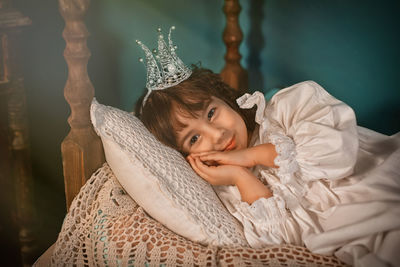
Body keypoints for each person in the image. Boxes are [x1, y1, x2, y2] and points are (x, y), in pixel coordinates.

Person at [135, 28, 400, 267]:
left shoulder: (283, 113)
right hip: (352, 233)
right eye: (194, 139)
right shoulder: (230, 191)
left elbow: (336, 151)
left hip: (378, 180)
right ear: (187, 157)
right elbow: (280, 243)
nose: (217, 135)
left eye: (211, 112)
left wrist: (247, 156)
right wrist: (240, 175)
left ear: (225, 99)